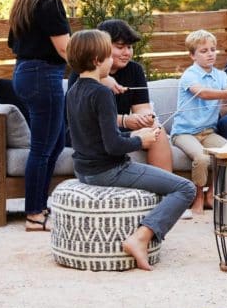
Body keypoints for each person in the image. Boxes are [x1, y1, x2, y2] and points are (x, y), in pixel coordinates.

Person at [65, 29, 195, 270]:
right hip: (108, 170)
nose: (113, 61)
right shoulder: (102, 93)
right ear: (97, 61)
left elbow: (94, 137)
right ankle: (141, 238)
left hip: (84, 170)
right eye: (109, 57)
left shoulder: (73, 91)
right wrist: (140, 142)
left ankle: (142, 236)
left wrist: (133, 134)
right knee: (185, 188)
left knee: (175, 185)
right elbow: (113, 147)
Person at [7, 0, 79, 232]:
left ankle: (40, 208)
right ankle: (35, 213)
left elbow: (13, 43)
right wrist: (97, 66)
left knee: (53, 143)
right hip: (42, 75)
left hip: (26, 72)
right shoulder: (49, 1)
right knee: (43, 148)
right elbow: (66, 49)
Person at [67, 19, 173, 173]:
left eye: (129, 47)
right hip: (88, 130)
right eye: (120, 47)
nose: (127, 53)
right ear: (101, 46)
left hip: (120, 128)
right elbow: (83, 118)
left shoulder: (134, 70)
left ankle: (164, 185)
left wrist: (145, 118)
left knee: (156, 130)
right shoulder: (84, 72)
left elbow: (142, 108)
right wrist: (125, 120)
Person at [171, 30, 227, 215]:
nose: (210, 54)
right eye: (204, 51)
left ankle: (211, 194)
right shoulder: (189, 75)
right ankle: (197, 196)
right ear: (192, 55)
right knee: (202, 158)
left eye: (213, 49)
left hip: (208, 132)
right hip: (185, 132)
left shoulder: (221, 76)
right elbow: (203, 93)